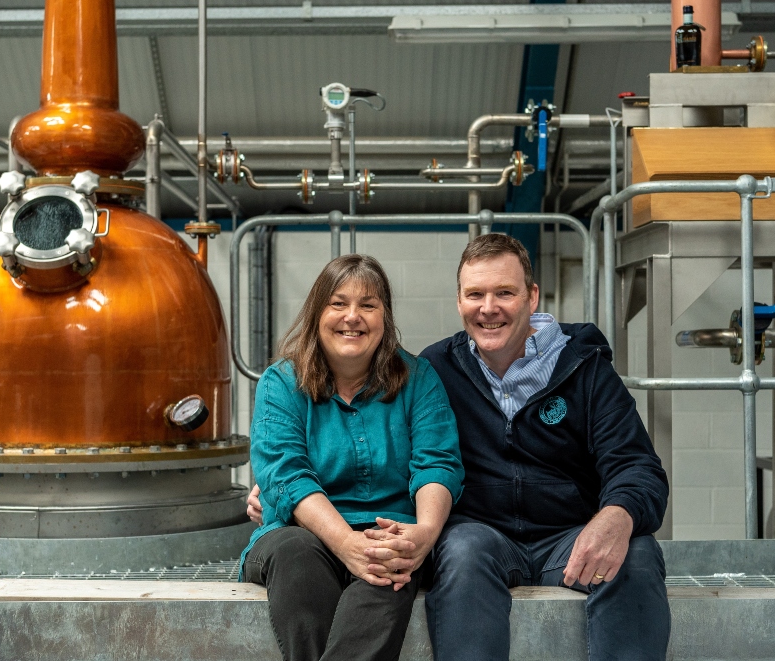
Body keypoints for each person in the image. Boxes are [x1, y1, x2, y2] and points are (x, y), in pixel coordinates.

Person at [248, 235, 671, 660]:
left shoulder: (583, 368)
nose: (489, 308)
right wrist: (279, 495)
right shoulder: (442, 367)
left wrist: (617, 515)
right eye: (476, 294)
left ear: (532, 296)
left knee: (636, 551)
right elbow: (287, 469)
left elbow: (638, 468)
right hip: (480, 537)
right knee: (459, 550)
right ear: (459, 301)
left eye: (505, 292)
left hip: (570, 538)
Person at [240, 253, 464, 661]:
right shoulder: (281, 383)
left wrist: (423, 533)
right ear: (316, 313)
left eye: (368, 305)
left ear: (385, 318)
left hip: (388, 534)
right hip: (299, 536)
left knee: (389, 564)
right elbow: (285, 473)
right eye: (338, 303)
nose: (352, 316)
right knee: (296, 552)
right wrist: (345, 543)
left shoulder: (418, 380)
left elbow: (438, 463)